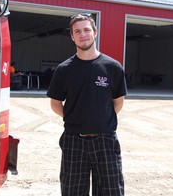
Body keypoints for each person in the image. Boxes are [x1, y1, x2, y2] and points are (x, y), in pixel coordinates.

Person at [47, 13, 127, 195]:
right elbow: (55, 103)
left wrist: (99, 119)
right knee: (72, 191)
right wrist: (76, 118)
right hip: (73, 141)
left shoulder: (113, 67)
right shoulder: (64, 70)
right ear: (72, 37)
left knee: (111, 191)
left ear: (95, 32)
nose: (83, 35)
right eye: (77, 31)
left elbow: (118, 102)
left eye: (86, 30)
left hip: (105, 141)